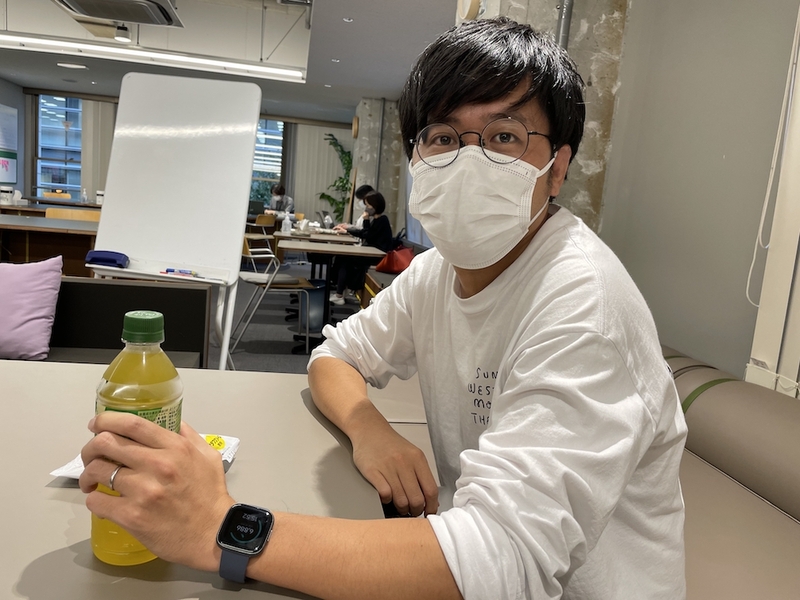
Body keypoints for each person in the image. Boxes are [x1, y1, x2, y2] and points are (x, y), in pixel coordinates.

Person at [79, 17, 687, 600]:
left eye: (504, 137)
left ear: (557, 169)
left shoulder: (583, 308)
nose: (469, 160)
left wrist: (220, 526)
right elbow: (334, 356)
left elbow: (503, 565)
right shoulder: (436, 273)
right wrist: (371, 431)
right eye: (443, 137)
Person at [330, 191, 393, 305]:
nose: (367, 208)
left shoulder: (382, 220)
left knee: (344, 258)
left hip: (377, 256)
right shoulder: (377, 220)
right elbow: (365, 233)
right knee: (342, 257)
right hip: (371, 252)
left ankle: (339, 294)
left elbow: (367, 235)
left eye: (368, 205)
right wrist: (348, 230)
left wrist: (366, 220)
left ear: (376, 206)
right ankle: (341, 289)